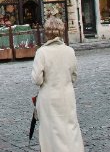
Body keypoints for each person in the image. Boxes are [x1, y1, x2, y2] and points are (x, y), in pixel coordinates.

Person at [31, 17, 85, 152]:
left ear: (46, 32)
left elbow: (37, 79)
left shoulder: (42, 52)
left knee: (50, 131)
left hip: (49, 96)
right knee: (70, 128)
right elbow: (74, 76)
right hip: (66, 95)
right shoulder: (69, 51)